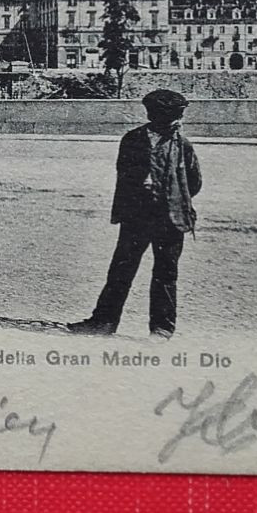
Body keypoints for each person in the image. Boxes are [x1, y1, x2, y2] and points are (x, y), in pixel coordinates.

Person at [71, 90, 202, 338]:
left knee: (165, 274)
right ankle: (103, 323)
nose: (178, 120)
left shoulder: (182, 145)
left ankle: (162, 329)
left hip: (170, 218)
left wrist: (172, 197)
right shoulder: (132, 140)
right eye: (175, 115)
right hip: (137, 216)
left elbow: (194, 182)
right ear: (157, 115)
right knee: (121, 269)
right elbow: (125, 177)